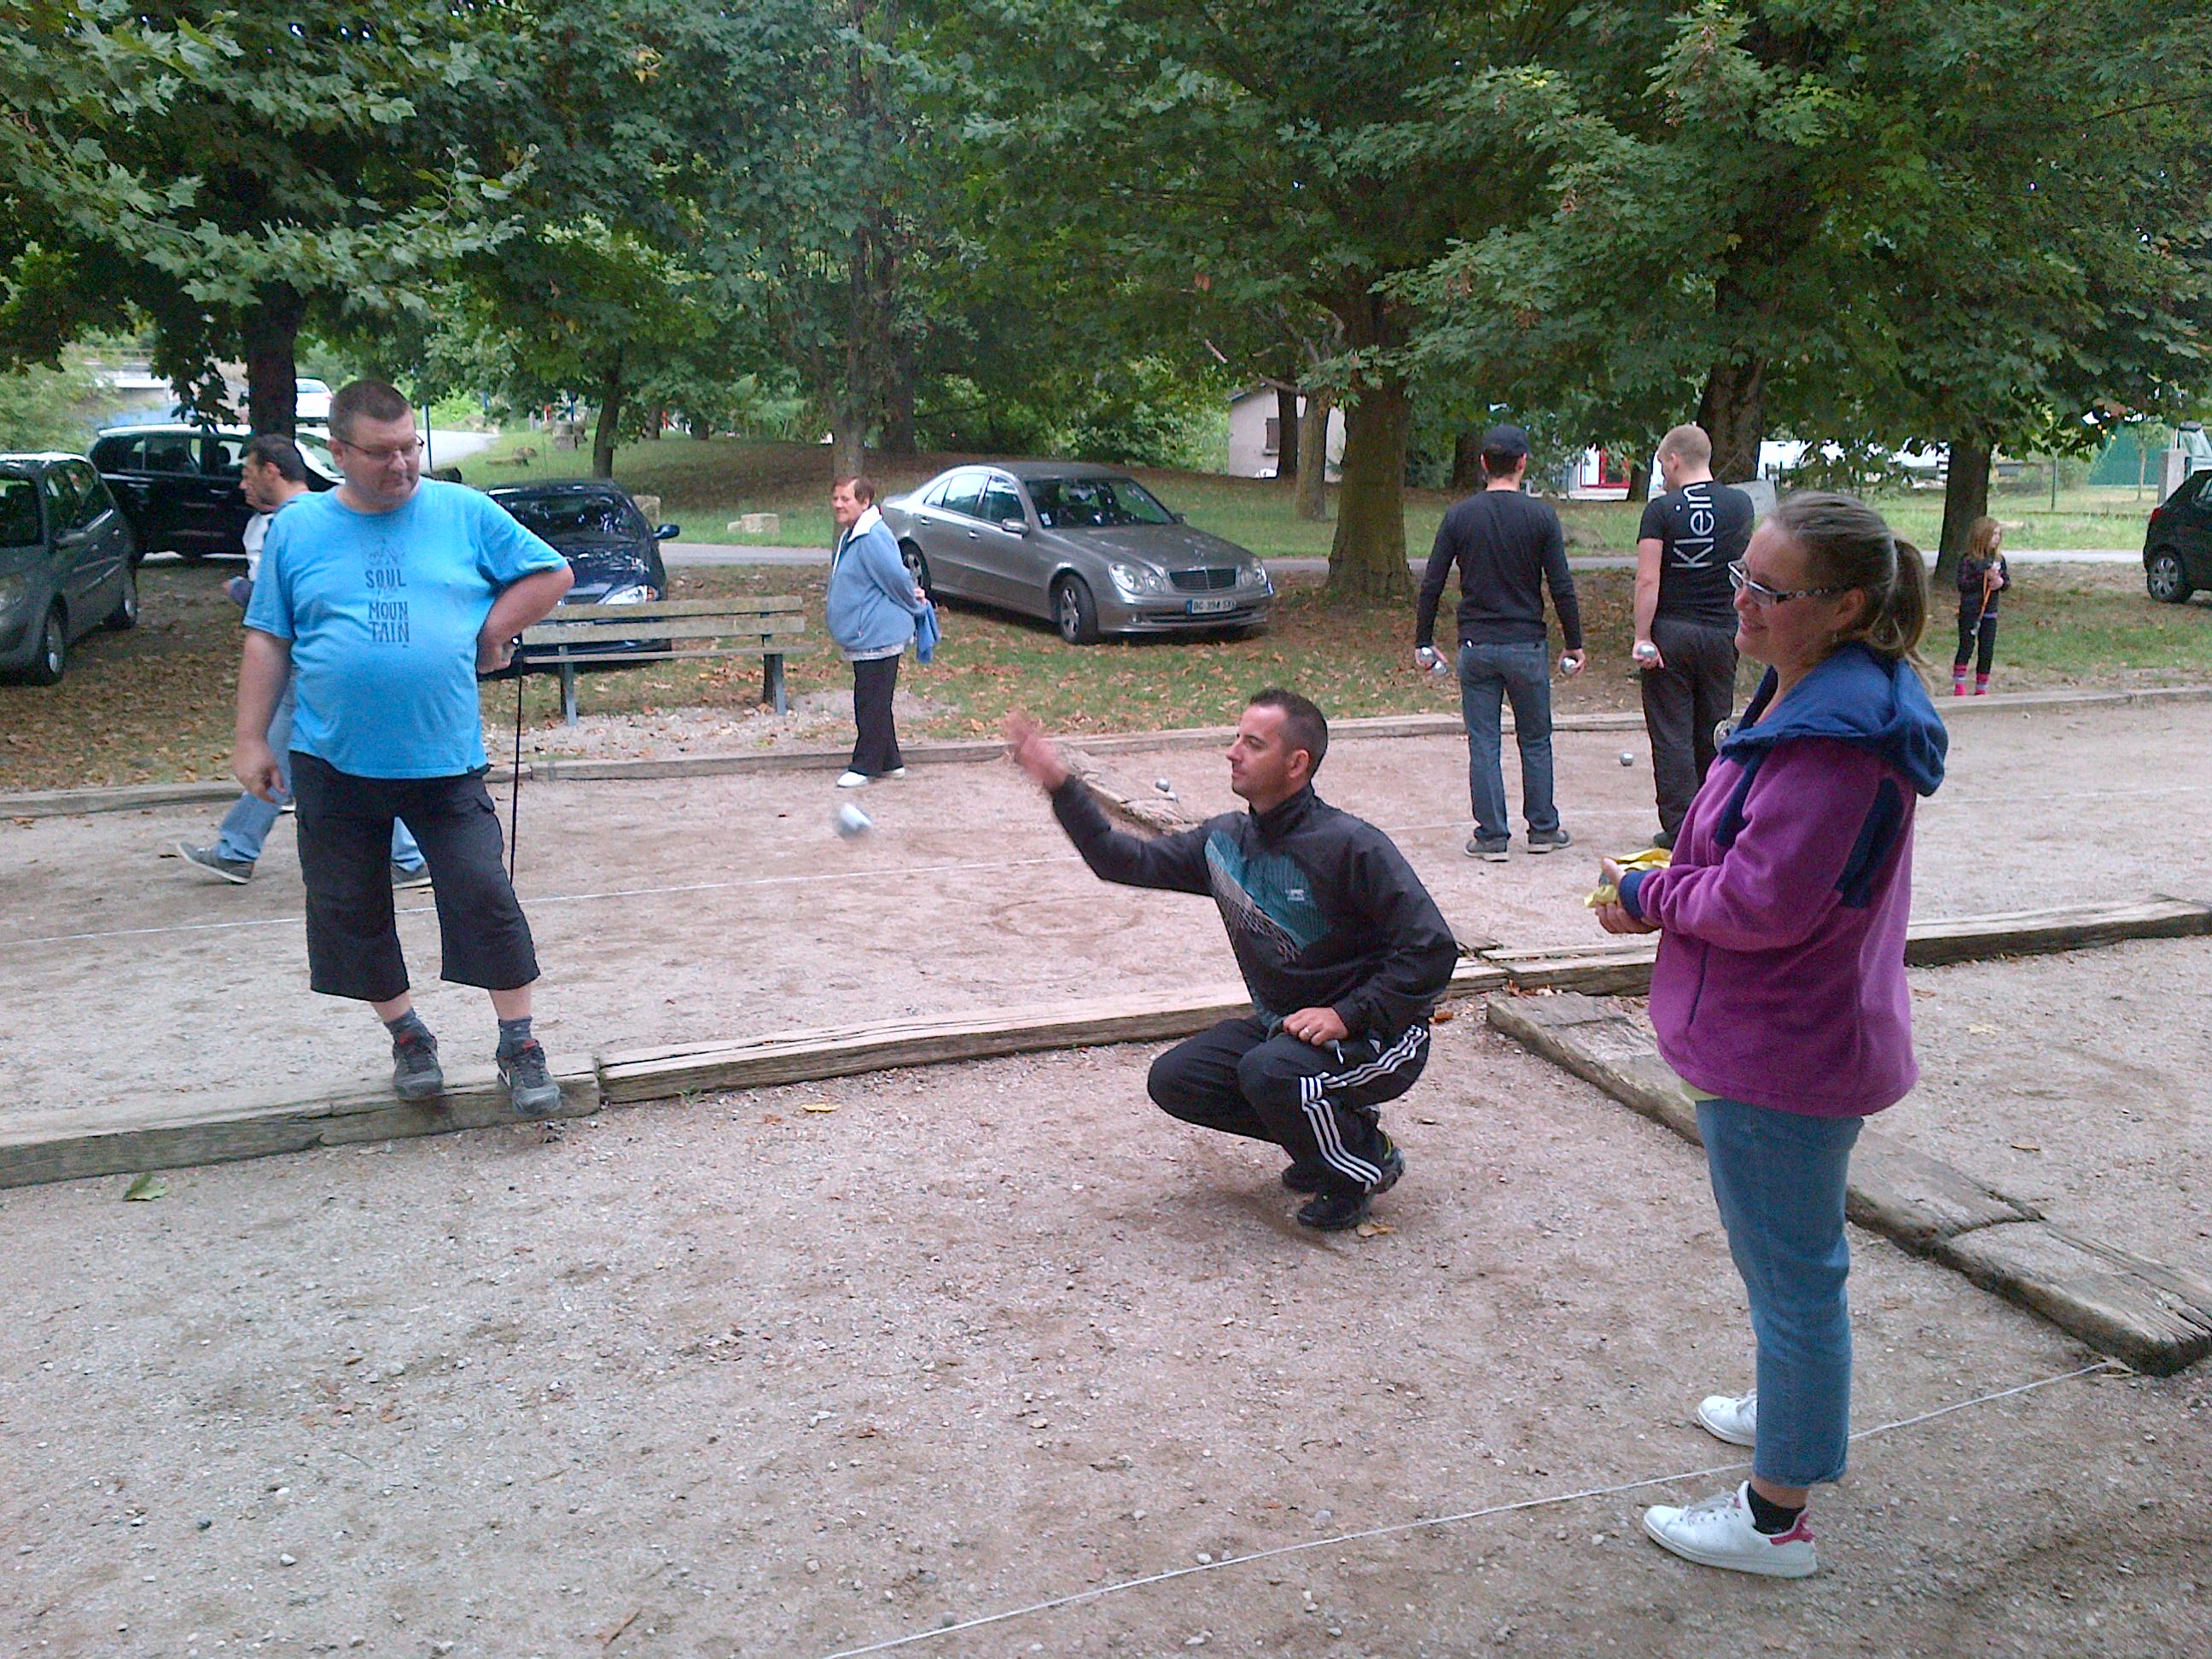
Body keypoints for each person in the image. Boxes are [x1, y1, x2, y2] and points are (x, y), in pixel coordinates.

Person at [1592, 492, 1946, 1579]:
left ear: (1843, 606)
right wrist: (1669, 873)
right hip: (1782, 1033)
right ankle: (1790, 1410)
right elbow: (1757, 868)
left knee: (1794, 1275)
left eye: (1767, 589)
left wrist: (1648, 901)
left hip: (1785, 1049)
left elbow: (1764, 904)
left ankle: (1776, 1515)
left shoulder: (1836, 742)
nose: (1738, 599)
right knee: (1781, 1263)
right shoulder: (1811, 692)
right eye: (1742, 574)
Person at [236, 381, 574, 1114]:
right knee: (349, 907)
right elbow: (268, 636)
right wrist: (251, 739)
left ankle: (519, 1043)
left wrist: (493, 630)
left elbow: (552, 573)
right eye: (381, 453)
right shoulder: (298, 528)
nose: (401, 466)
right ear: (338, 452)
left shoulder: (462, 512)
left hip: (441, 756)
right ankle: (407, 1036)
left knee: (484, 893)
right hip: (331, 757)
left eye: (409, 447)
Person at [1004, 690, 1458, 1231]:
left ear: (1296, 764)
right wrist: (1061, 786)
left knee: (1270, 1072)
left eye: (1253, 743)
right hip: (1285, 1030)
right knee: (1177, 1079)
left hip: (1382, 1035)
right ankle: (1327, 1140)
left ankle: (1360, 1166)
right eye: (1236, 738)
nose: (1232, 752)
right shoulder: (1226, 841)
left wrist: (1348, 1014)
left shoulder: (1349, 846)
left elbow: (1432, 947)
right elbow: (1121, 859)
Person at [176, 434, 428, 888]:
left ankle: (241, 849)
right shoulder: (302, 518)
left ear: (272, 470)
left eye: (248, 473)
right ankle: (241, 848)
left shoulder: (294, 524)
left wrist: (241, 593)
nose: (242, 485)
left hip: (305, 660)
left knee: (329, 750)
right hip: (309, 659)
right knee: (315, 750)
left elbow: (290, 603)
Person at [1414, 424, 1585, 861]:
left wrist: (1424, 640)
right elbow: (1560, 585)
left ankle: (1491, 836)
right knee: (1535, 738)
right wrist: (1574, 641)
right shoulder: (1541, 517)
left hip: (1477, 644)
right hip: (1526, 643)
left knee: (1484, 741)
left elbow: (1432, 582)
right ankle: (1543, 828)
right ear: (1523, 463)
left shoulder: (1459, 517)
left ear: (1483, 464)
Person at [1632, 423, 1754, 847]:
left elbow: (1649, 579)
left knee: (1671, 730)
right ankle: (1716, 816)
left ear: (1673, 460)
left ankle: (1680, 826)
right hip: (1722, 631)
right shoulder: (1740, 506)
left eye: (1661, 464)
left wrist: (1642, 636)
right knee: (1715, 727)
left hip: (1672, 633)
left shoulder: (1661, 510)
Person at [826, 475, 928, 789]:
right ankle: (890, 761)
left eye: (846, 499)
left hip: (879, 634)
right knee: (873, 697)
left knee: (871, 700)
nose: (839, 505)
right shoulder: (854, 533)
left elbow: (896, 578)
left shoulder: (872, 536)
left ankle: (865, 765)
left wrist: (913, 598)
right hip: (865, 633)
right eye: (836, 499)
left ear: (865, 501)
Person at [1953, 515, 2008, 696]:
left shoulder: (1999, 559)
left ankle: (1981, 687)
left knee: (1987, 649)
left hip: (1990, 612)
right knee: (1966, 646)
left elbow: (2006, 583)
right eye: (1993, 535)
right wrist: (1983, 577)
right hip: (1971, 611)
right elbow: (1963, 584)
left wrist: (2000, 582)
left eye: (1999, 535)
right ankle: (1959, 685)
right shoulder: (1969, 560)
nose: (1997, 539)